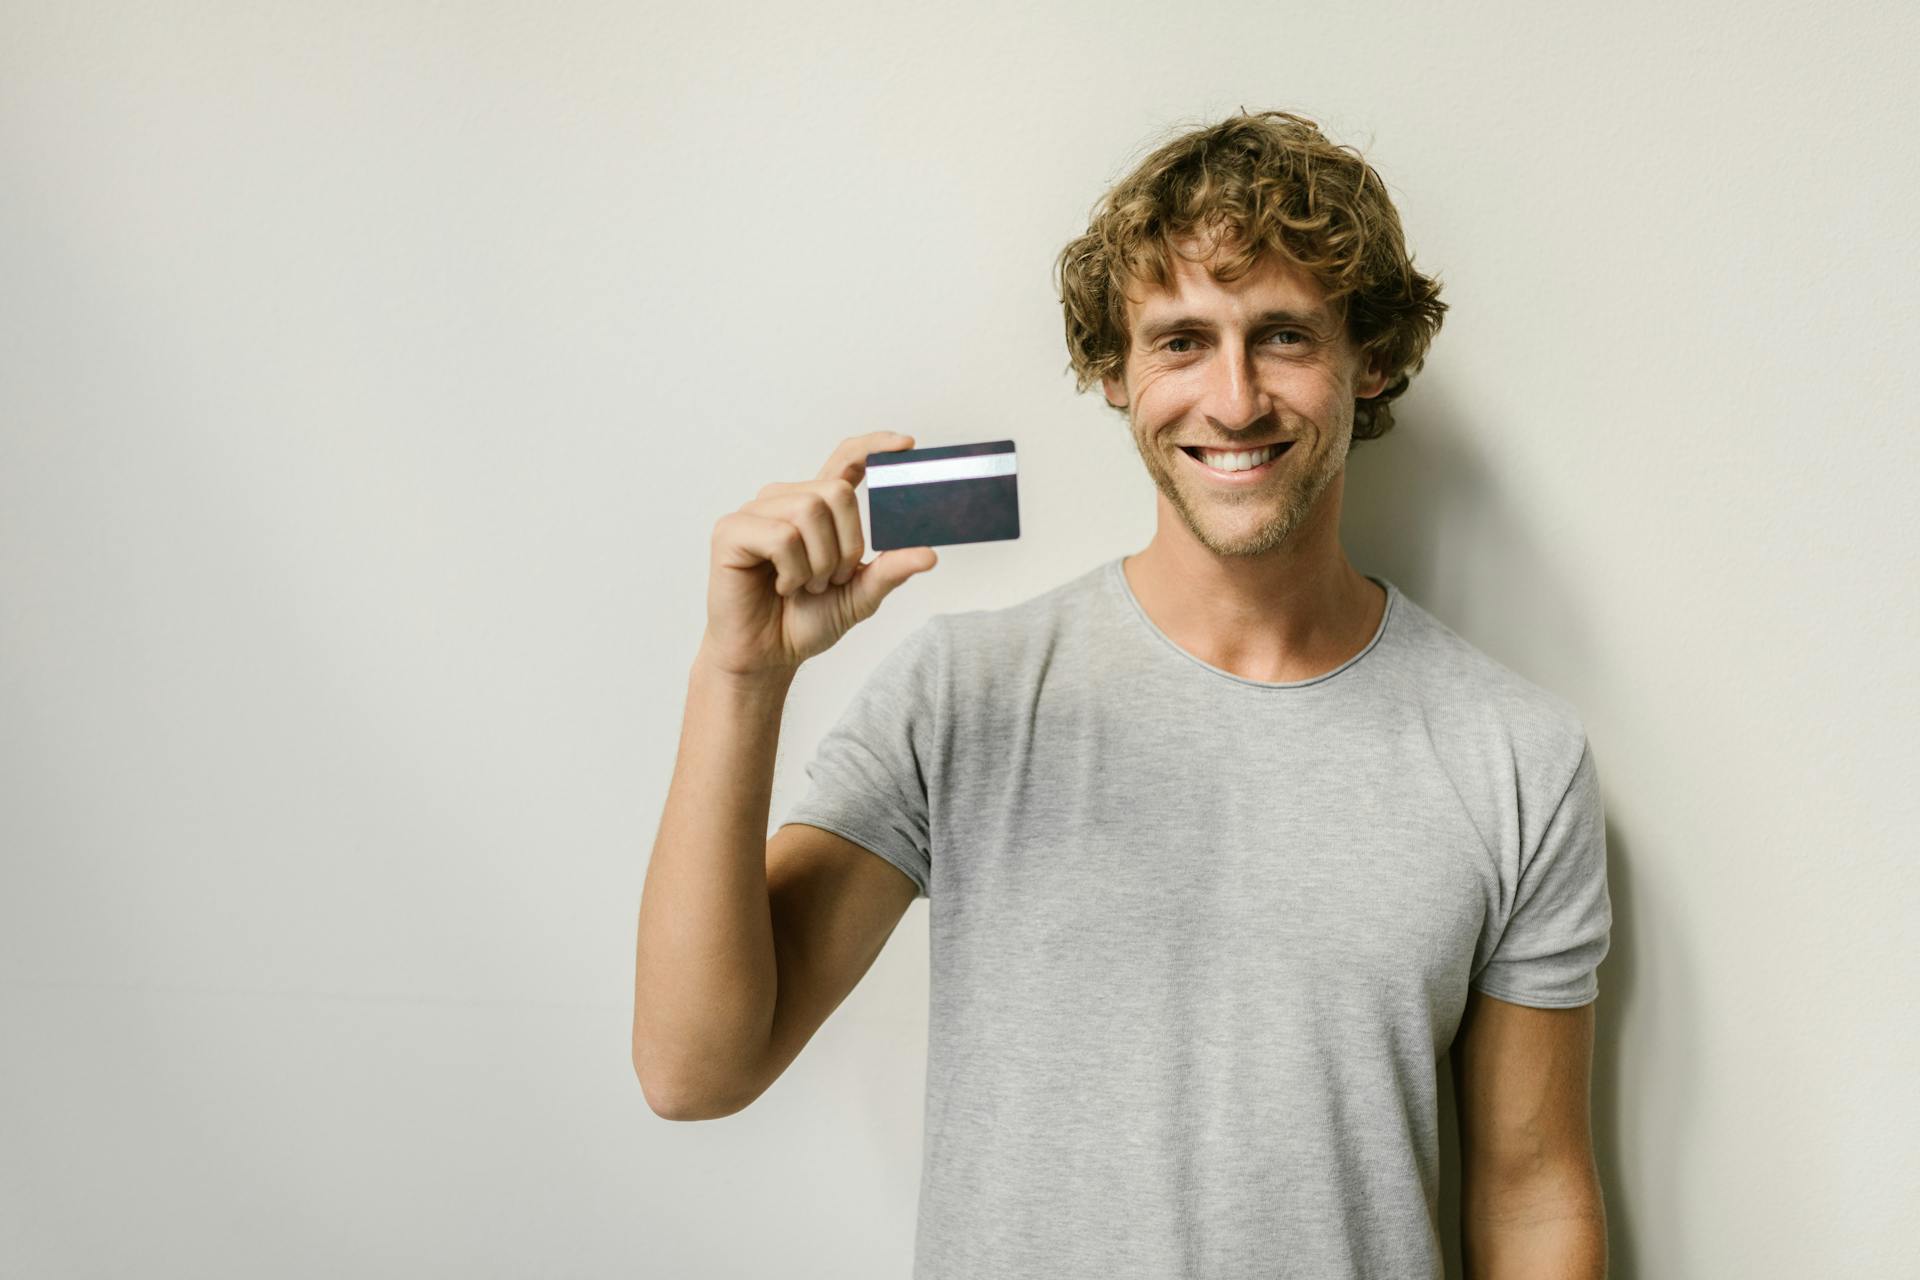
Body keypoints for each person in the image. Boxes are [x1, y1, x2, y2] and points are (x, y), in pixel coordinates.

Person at [633, 109, 1611, 1280]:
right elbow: (694, 1069)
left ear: (1374, 358)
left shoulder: (1516, 755)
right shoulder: (966, 693)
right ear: (1114, 371)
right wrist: (740, 672)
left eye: (1286, 335)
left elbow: (1532, 1190)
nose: (1236, 398)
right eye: (1182, 340)